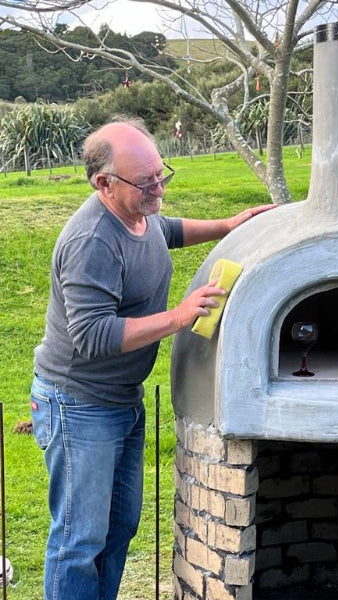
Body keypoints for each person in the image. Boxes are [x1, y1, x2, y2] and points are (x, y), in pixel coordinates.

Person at [29, 118, 275, 600]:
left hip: (121, 400)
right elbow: (92, 335)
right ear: (104, 183)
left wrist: (228, 226)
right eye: (146, 182)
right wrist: (180, 317)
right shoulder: (91, 242)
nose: (159, 187)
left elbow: (164, 230)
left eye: (162, 173)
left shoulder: (135, 214)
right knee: (79, 542)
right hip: (78, 405)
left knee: (119, 527)